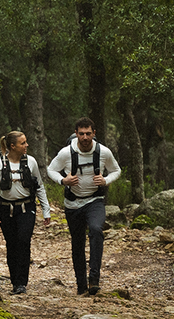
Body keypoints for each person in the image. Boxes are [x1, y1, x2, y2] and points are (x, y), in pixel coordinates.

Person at [46, 117, 120, 295]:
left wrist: (106, 180)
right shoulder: (66, 153)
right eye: (81, 134)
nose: (85, 138)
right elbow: (50, 170)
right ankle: (81, 285)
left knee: (96, 230)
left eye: (88, 134)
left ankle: (94, 279)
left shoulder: (104, 152)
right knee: (77, 243)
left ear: (94, 134)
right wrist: (63, 180)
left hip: (95, 201)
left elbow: (116, 170)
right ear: (76, 134)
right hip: (72, 204)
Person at [0, 131, 51, 295]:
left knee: (23, 240)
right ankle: (15, 280)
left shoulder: (31, 162)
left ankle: (22, 282)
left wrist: (46, 210)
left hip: (26, 208)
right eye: (23, 143)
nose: (26, 145)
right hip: (6, 209)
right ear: (12, 146)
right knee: (12, 243)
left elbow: (39, 186)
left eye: (26, 142)